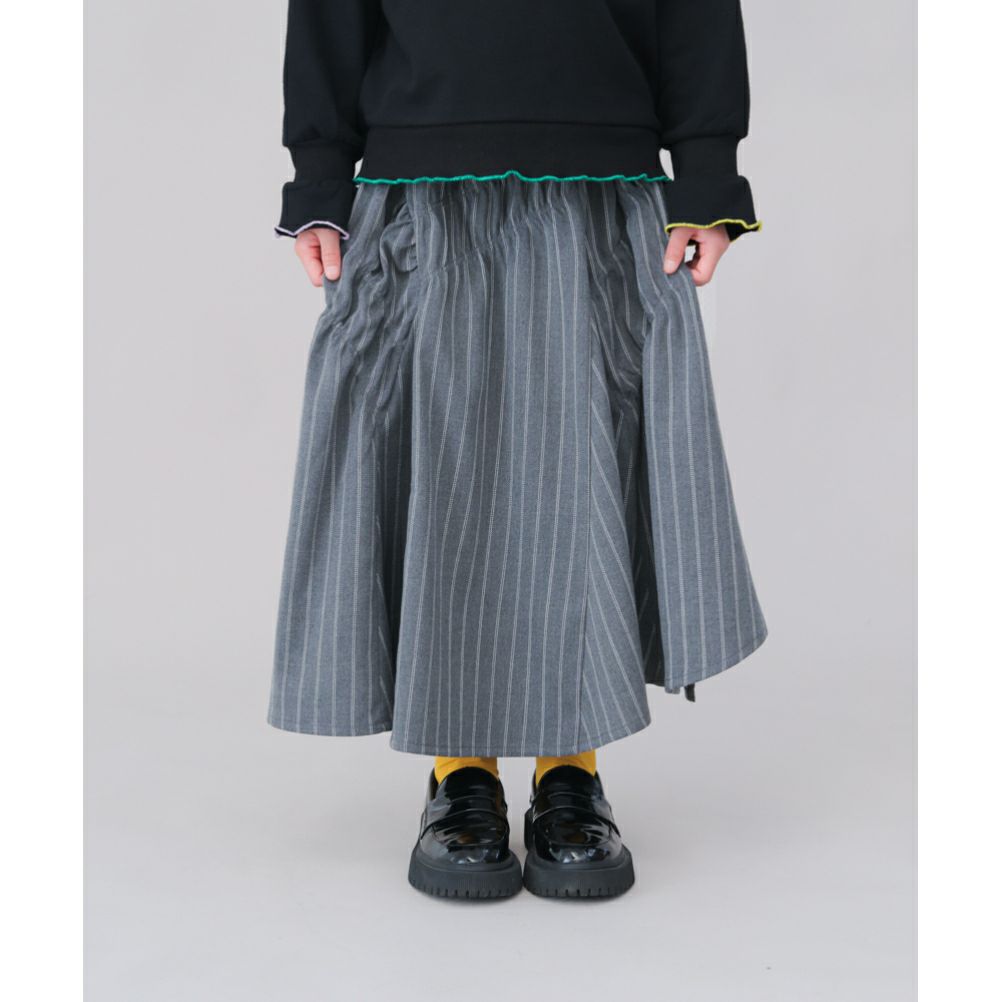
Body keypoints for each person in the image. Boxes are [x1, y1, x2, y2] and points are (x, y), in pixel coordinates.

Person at [270, 0, 767, 901]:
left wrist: (707, 174)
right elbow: (329, 14)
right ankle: (461, 773)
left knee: (581, 473)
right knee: (445, 478)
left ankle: (569, 770)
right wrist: (318, 182)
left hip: (600, 174)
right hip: (422, 179)